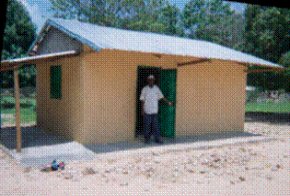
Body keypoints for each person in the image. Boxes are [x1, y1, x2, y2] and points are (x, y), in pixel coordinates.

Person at [140, 75, 173, 144]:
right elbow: (142, 100)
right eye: (150, 80)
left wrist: (168, 102)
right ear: (148, 80)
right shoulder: (145, 89)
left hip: (154, 111)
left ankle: (157, 139)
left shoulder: (156, 89)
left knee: (156, 126)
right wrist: (142, 110)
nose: (151, 81)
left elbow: (161, 97)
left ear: (154, 80)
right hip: (147, 111)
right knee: (147, 126)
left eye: (152, 80)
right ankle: (147, 139)